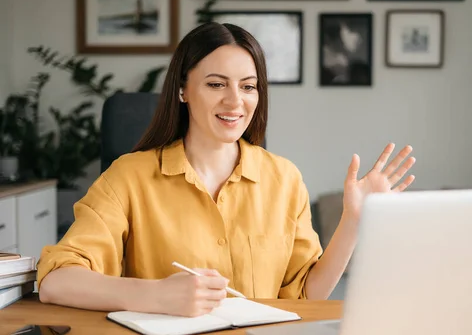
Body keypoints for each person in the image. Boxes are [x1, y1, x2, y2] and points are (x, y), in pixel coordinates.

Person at [37, 22, 415, 317]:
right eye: (216, 84)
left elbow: (305, 295)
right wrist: (157, 295)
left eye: (248, 87)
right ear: (183, 90)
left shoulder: (284, 179)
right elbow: (56, 282)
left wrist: (352, 220)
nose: (235, 101)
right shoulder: (128, 177)